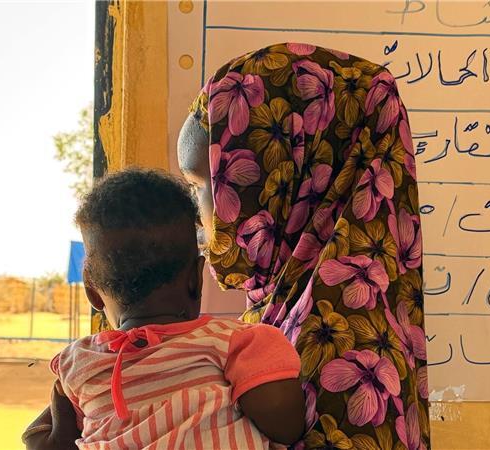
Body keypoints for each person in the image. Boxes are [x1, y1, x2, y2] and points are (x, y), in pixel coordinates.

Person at [178, 43, 430, 449]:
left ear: (270, 183)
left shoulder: (341, 340)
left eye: (201, 186)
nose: (196, 214)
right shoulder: (291, 302)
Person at [23, 168, 305, 449]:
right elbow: (287, 427)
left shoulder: (79, 363)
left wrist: (61, 417)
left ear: (93, 292)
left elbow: (42, 444)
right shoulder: (235, 343)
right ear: (196, 279)